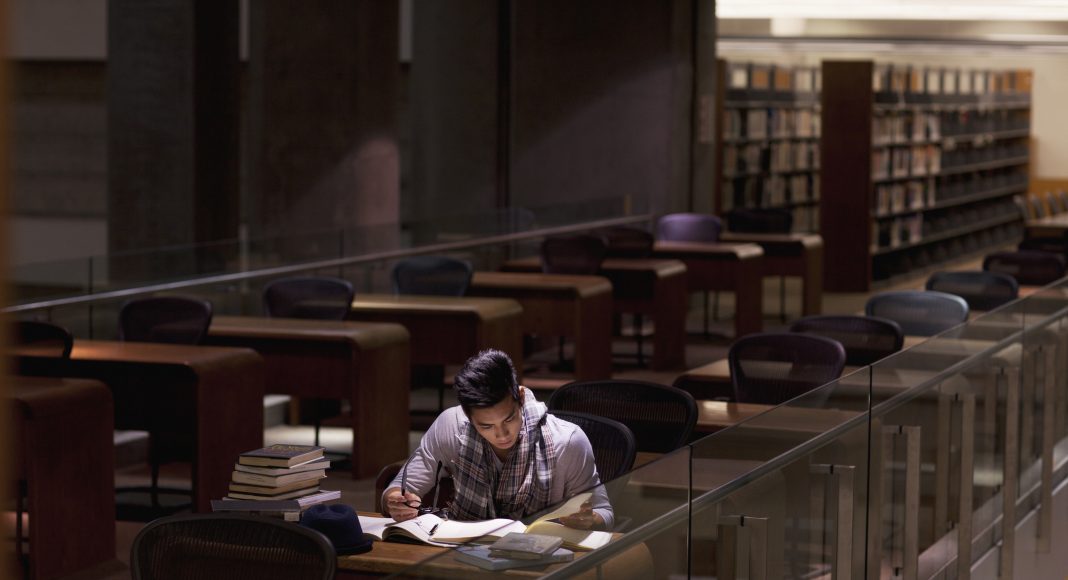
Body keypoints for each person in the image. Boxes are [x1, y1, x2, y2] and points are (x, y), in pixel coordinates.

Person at [383, 349, 613, 530]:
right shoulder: (451, 425)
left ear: (520, 397)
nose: (502, 435)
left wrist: (590, 519)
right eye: (486, 426)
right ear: (467, 415)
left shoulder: (567, 441)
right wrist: (396, 501)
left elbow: (604, 511)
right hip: (463, 549)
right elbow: (400, 488)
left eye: (509, 419)